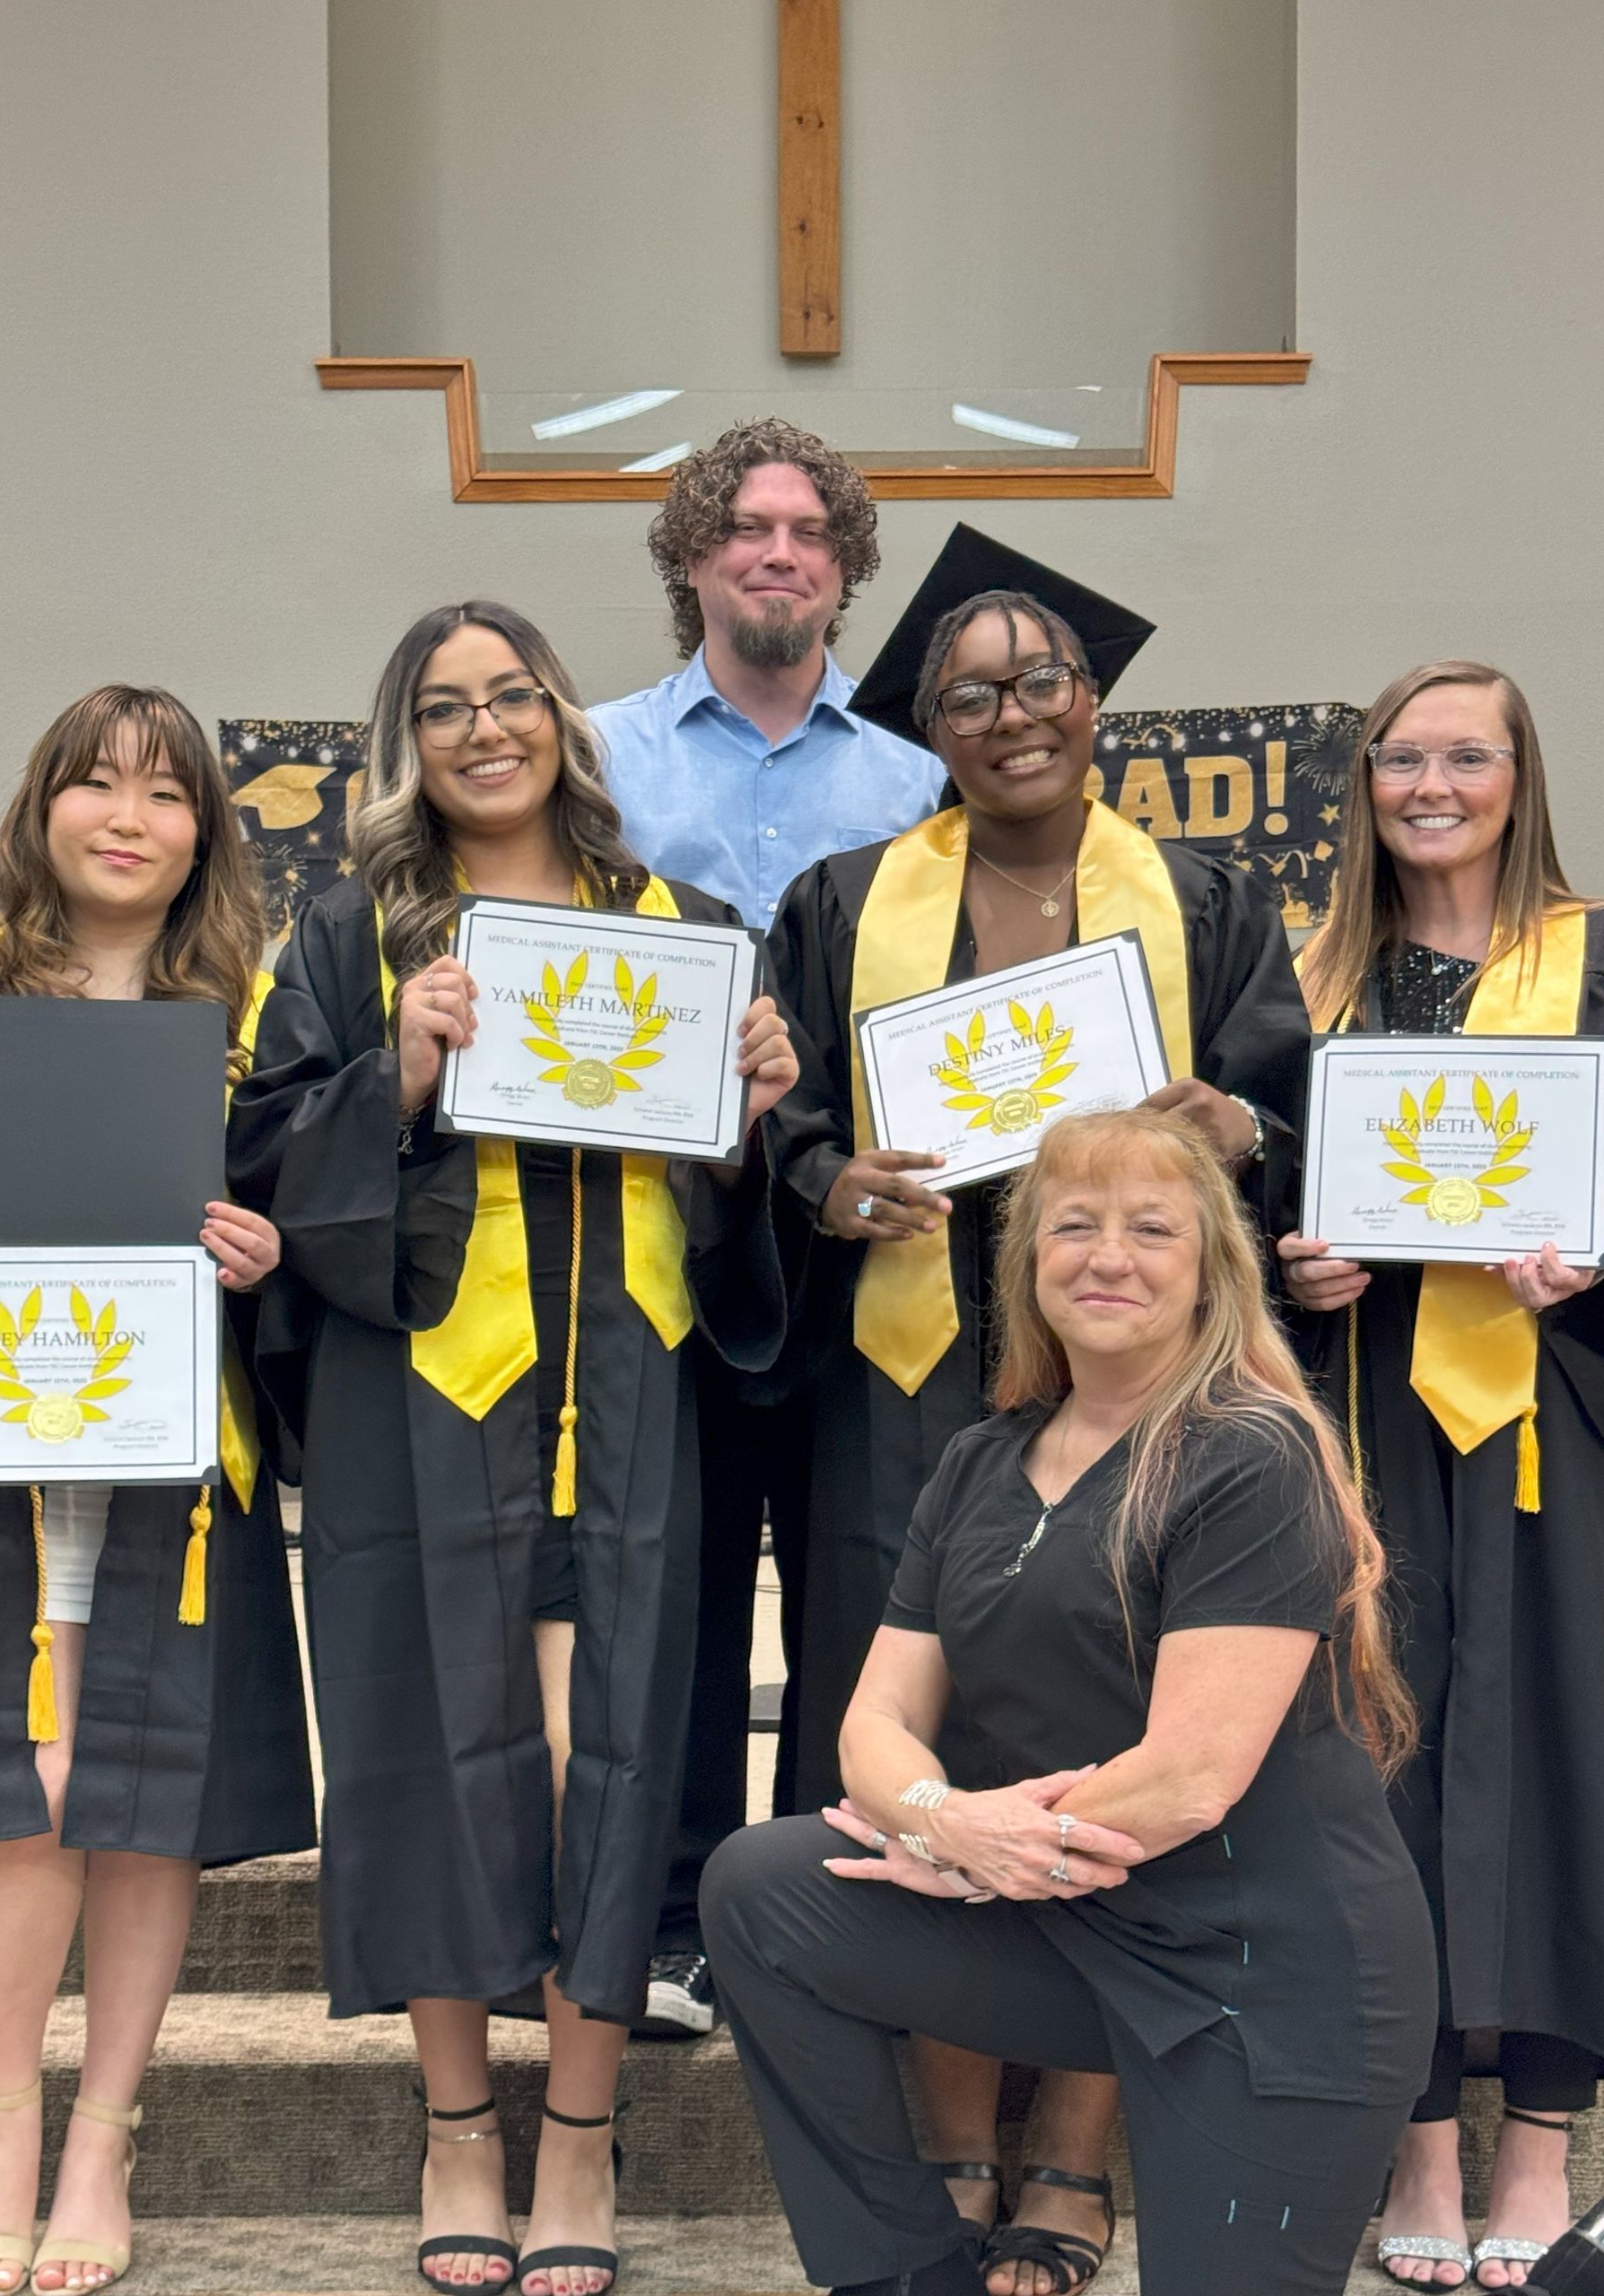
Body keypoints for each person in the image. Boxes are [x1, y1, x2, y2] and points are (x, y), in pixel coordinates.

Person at [763, 526, 1310, 2292]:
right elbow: (771, 1129)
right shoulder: (846, 899)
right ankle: (940, 2125)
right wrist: (832, 1179)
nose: (1012, 712)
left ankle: (1074, 2145)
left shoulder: (1207, 897)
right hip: (919, 1387)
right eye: (972, 689)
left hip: (1141, 1388)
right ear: (928, 716)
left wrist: (1230, 1129)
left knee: (1109, 1718)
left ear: (1096, 704)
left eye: (1044, 681)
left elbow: (1285, 1103)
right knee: (919, 1723)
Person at [226, 601, 795, 2295]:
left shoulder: (682, 926)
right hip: (425, 1397)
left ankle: (581, 2141)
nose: (487, 729)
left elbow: (733, 1198)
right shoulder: (345, 936)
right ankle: (460, 2122)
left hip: (624, 1392)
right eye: (447, 705)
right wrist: (394, 1075)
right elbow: (261, 1159)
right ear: (410, 740)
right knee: (425, 1743)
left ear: (561, 719)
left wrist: (749, 1112)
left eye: (514, 696)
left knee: (610, 1752)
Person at [702, 1105, 1437, 2296]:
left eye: (1152, 1228)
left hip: (1270, 1981)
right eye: (1075, 1225)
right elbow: (871, 1729)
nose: (1108, 1255)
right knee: (767, 1893)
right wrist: (950, 1824)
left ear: (1210, 1270)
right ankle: (907, 2277)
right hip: (1082, 1937)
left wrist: (992, 1851)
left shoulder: (1250, 1454)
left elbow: (1191, 1778)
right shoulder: (980, 1463)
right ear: (1028, 1258)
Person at [0, 686, 313, 2296]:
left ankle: (104, 2134)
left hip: (174, 1456)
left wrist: (269, 1261)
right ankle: (4, 2119)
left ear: (207, 828)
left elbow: (317, 1237)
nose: (128, 815)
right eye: (95, 784)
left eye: (167, 791)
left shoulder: (261, 1017)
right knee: (18, 1782)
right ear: (42, 806)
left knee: (141, 1791)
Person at [590, 417, 945, 2036]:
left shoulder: (916, 776)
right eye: (743, 527)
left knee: (855, 1590)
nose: (778, 550)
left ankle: (811, 1910)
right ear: (690, 556)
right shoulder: (599, 758)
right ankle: (665, 1917)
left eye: (808, 529)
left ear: (847, 567)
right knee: (665, 1596)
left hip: (865, 1237)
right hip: (661, 1235)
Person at [1279, 660, 1604, 2291]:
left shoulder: (1596, 959)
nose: (1431, 782)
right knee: (1373, 1763)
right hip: (1362, 1423)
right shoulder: (1307, 985)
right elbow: (1245, 1216)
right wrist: (1297, 1270)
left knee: (1557, 1756)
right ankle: (1415, 2139)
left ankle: (1539, 2147)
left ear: (1516, 771)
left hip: (1557, 1421)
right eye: (1399, 755)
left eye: (1464, 753)